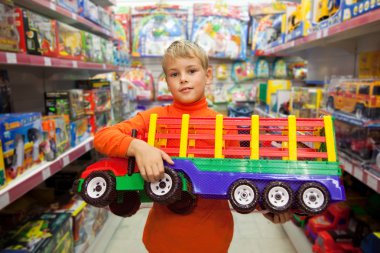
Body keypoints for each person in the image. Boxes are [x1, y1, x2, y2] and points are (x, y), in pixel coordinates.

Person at [94, 40, 292, 253]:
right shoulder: (154, 118)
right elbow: (103, 136)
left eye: (191, 70)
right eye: (174, 74)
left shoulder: (225, 127)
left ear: (207, 75)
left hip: (212, 237)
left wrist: (269, 208)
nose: (183, 79)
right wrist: (138, 147)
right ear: (166, 81)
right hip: (162, 238)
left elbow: (241, 179)